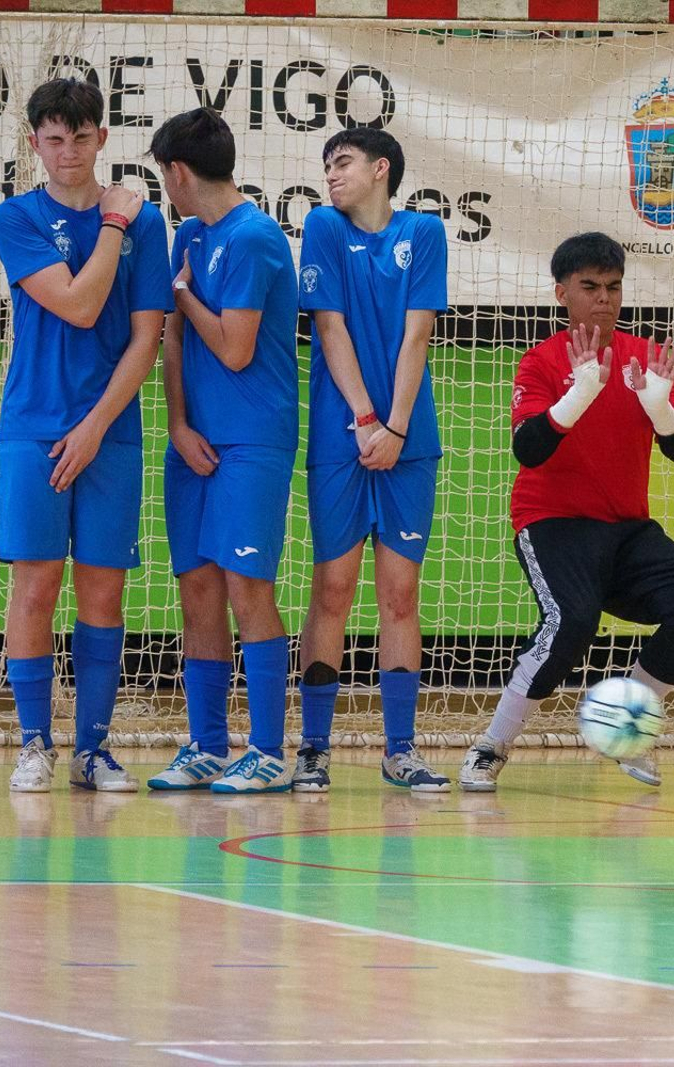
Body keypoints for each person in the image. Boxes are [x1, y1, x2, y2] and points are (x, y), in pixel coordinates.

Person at [458, 232, 674, 792]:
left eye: (613, 287)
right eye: (590, 287)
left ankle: (626, 727)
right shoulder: (541, 362)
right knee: (571, 624)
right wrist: (576, 395)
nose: (604, 298)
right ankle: (491, 746)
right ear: (562, 293)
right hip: (553, 522)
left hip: (627, 529)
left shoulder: (644, 359)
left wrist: (659, 406)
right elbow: (529, 449)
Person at [0, 78, 171, 794]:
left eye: (81, 136)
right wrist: (112, 225)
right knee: (35, 587)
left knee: (103, 594)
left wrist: (97, 426)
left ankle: (92, 749)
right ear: (36, 143)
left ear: (102, 137)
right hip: (33, 427)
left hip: (112, 434)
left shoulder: (148, 221)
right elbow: (76, 301)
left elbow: (146, 336)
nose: (69, 152)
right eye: (54, 139)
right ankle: (33, 742)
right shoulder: (16, 217)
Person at [142, 108, 300, 795]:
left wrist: (181, 293)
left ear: (178, 172)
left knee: (246, 588)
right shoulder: (189, 235)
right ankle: (207, 744)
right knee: (197, 589)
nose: (165, 190)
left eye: (162, 176)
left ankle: (267, 750)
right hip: (196, 439)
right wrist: (177, 422)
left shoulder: (257, 237)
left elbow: (234, 348)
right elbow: (173, 339)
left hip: (252, 438)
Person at [293, 128, 451, 792]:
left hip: (408, 439)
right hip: (342, 437)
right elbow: (330, 327)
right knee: (332, 589)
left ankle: (400, 749)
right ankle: (314, 748)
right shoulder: (324, 227)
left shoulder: (426, 231)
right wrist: (365, 420)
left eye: (343, 162)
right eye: (326, 164)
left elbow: (418, 334)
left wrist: (396, 427)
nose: (331, 174)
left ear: (382, 168)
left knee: (401, 594)